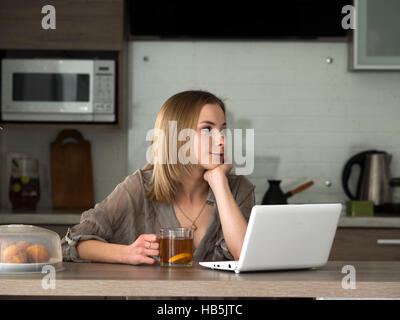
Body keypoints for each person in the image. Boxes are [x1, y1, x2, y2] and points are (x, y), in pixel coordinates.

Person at [61, 90, 255, 264]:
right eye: (207, 129)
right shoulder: (139, 186)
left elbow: (244, 256)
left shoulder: (239, 189)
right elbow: (73, 243)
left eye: (223, 130)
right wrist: (126, 253)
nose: (221, 140)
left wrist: (219, 183)